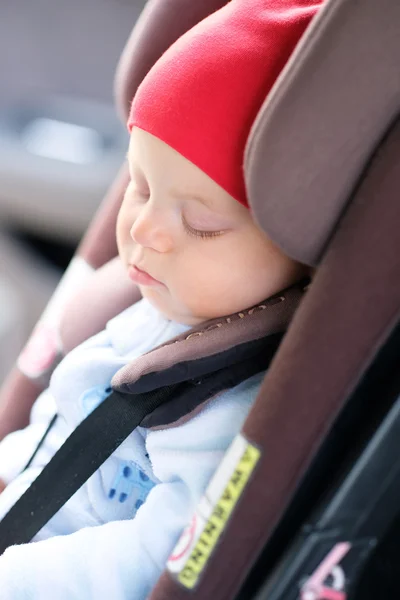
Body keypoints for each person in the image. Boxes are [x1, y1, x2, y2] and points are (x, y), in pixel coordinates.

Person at [0, 0, 321, 597]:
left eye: (201, 221)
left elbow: (154, 557)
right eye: (140, 186)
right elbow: (54, 432)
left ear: (299, 252)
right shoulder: (146, 312)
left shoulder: (229, 407)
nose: (145, 230)